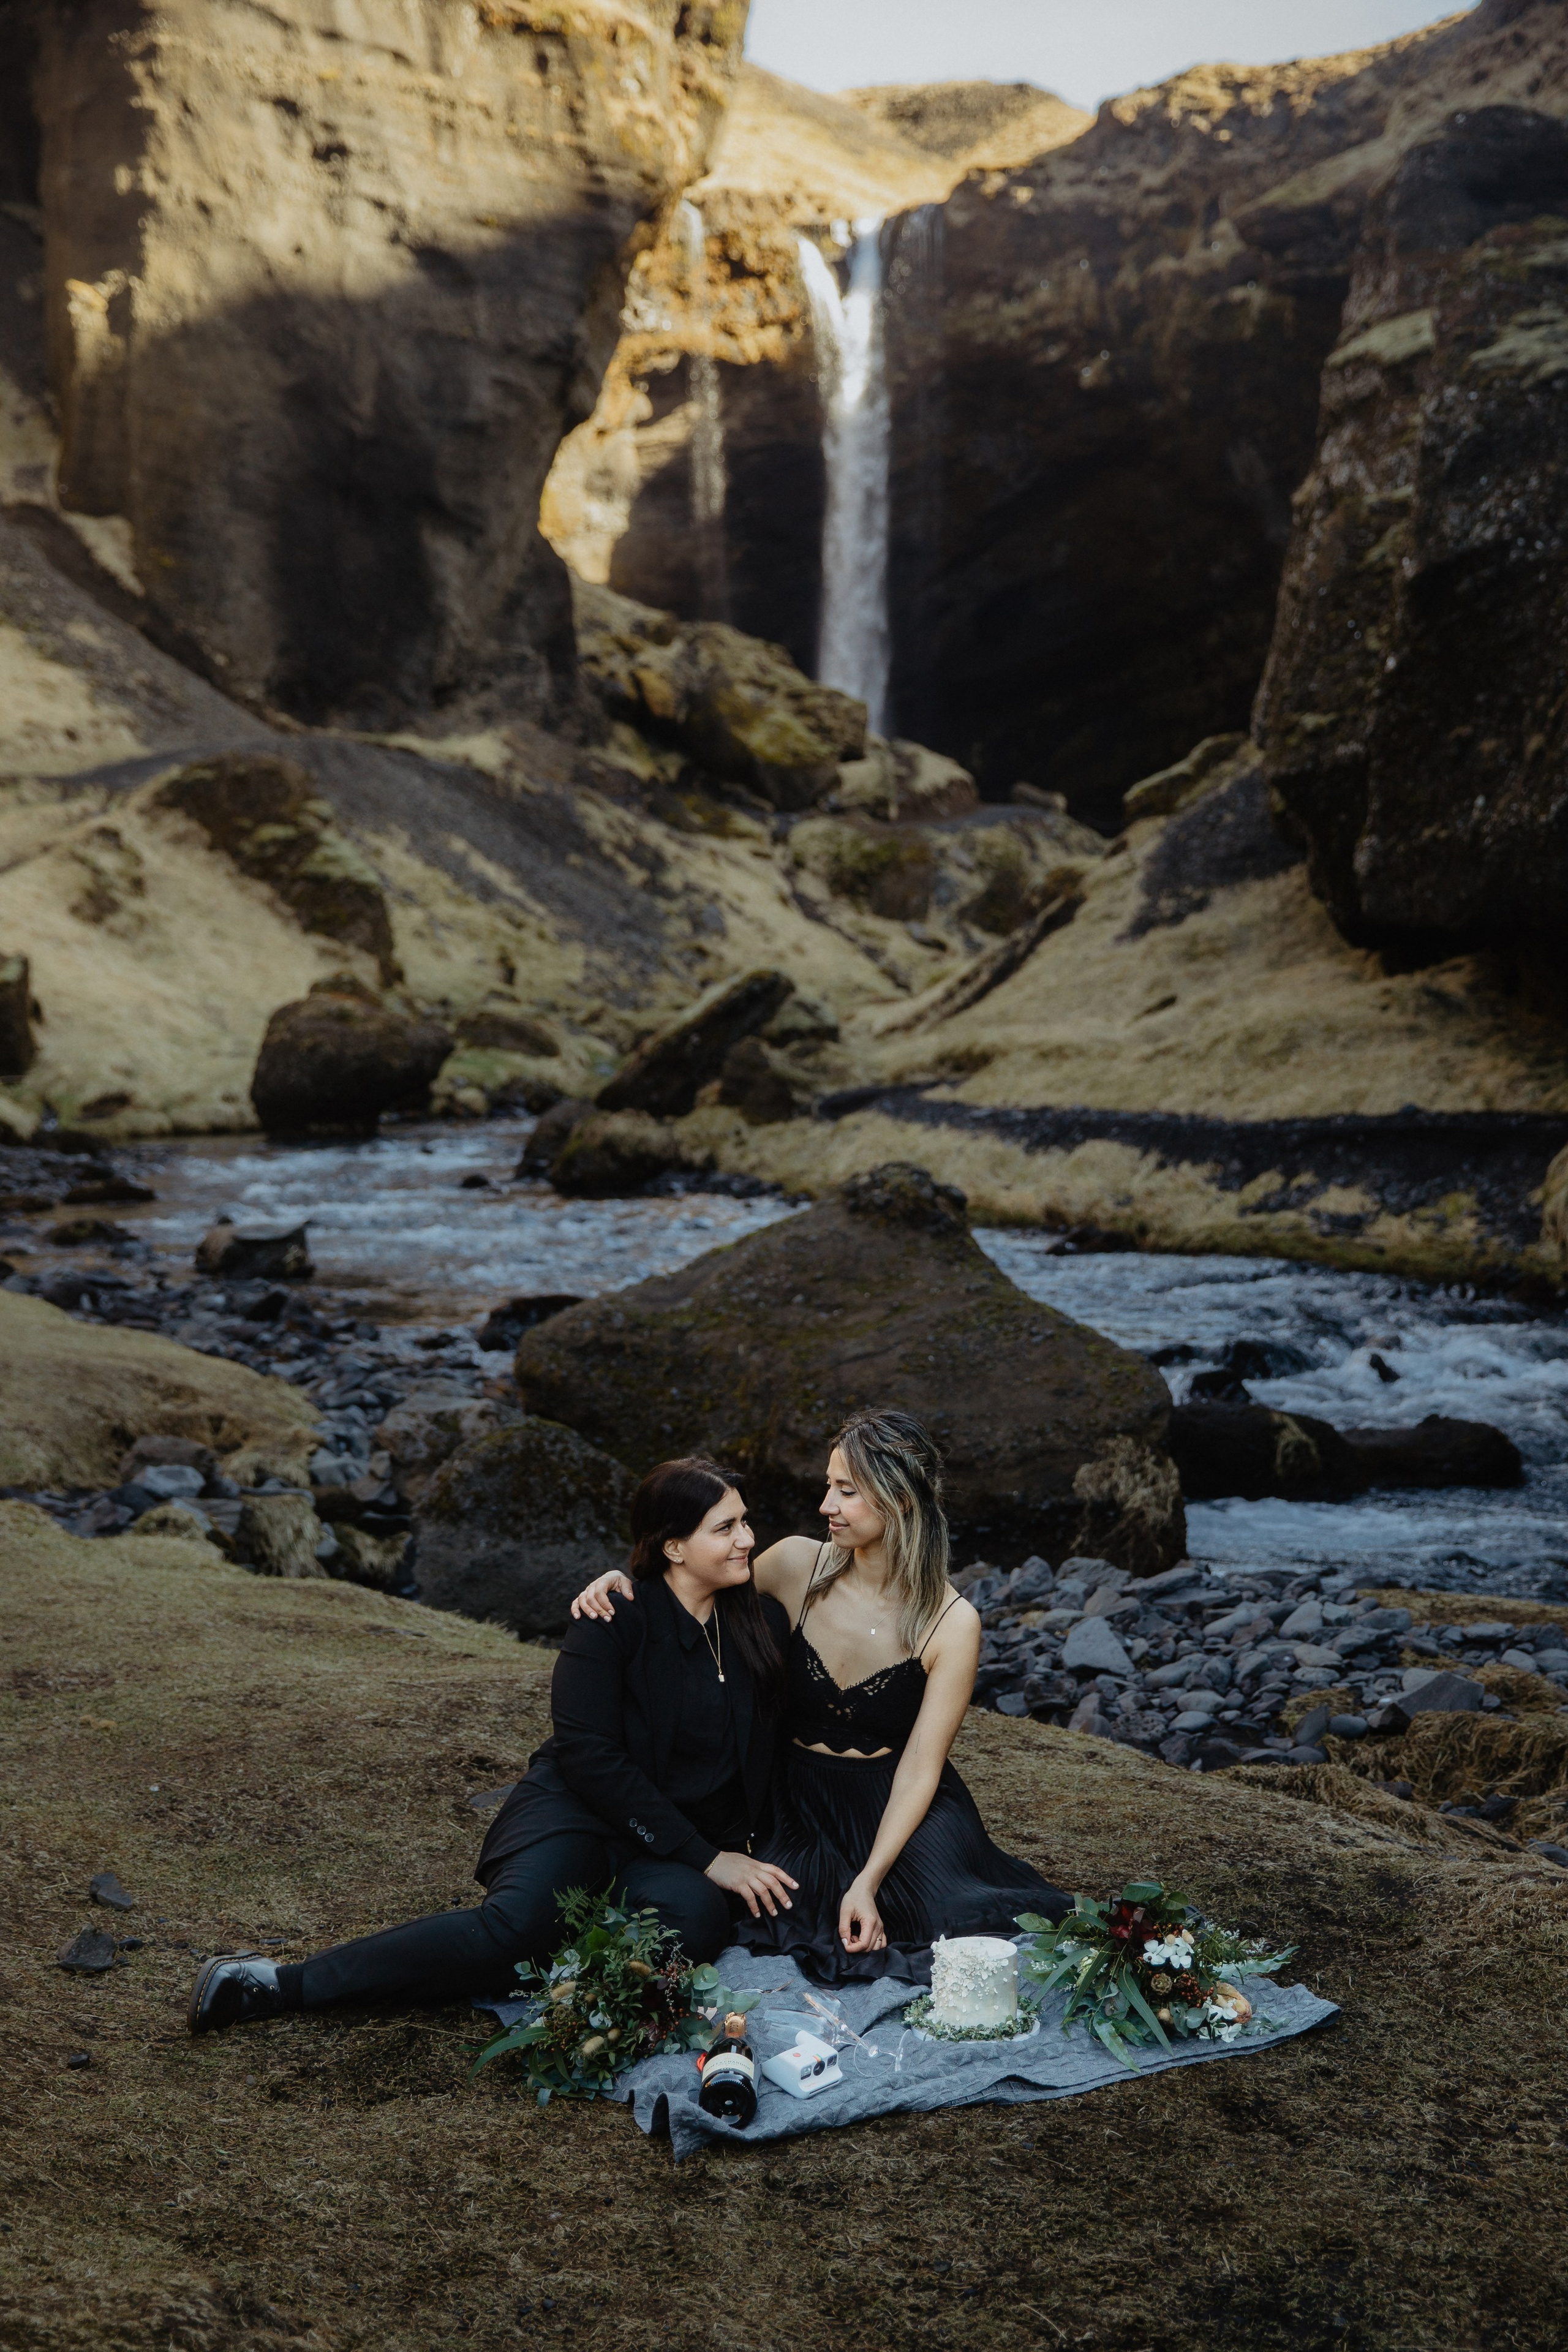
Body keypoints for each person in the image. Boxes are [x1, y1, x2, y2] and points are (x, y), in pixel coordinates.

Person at [188, 1459, 796, 2034]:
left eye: (745, 1521)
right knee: (513, 1930)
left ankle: (564, 1971)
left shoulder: (760, 1625)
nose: (746, 1538)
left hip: (669, 1851)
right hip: (582, 1816)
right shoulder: (611, 1618)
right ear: (673, 1546)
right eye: (726, 1527)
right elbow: (589, 1757)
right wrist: (712, 1858)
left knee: (699, 1920)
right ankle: (276, 1985)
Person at [570, 1408, 1069, 1984]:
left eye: (846, 1491)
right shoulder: (792, 1564)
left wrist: (869, 1880)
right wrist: (624, 1580)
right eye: (828, 1486)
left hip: (895, 1807)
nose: (826, 1505)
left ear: (900, 1500)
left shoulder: (951, 1623)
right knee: (781, 1910)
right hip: (793, 1802)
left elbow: (921, 1768)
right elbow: (697, 1585)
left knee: (947, 1922)